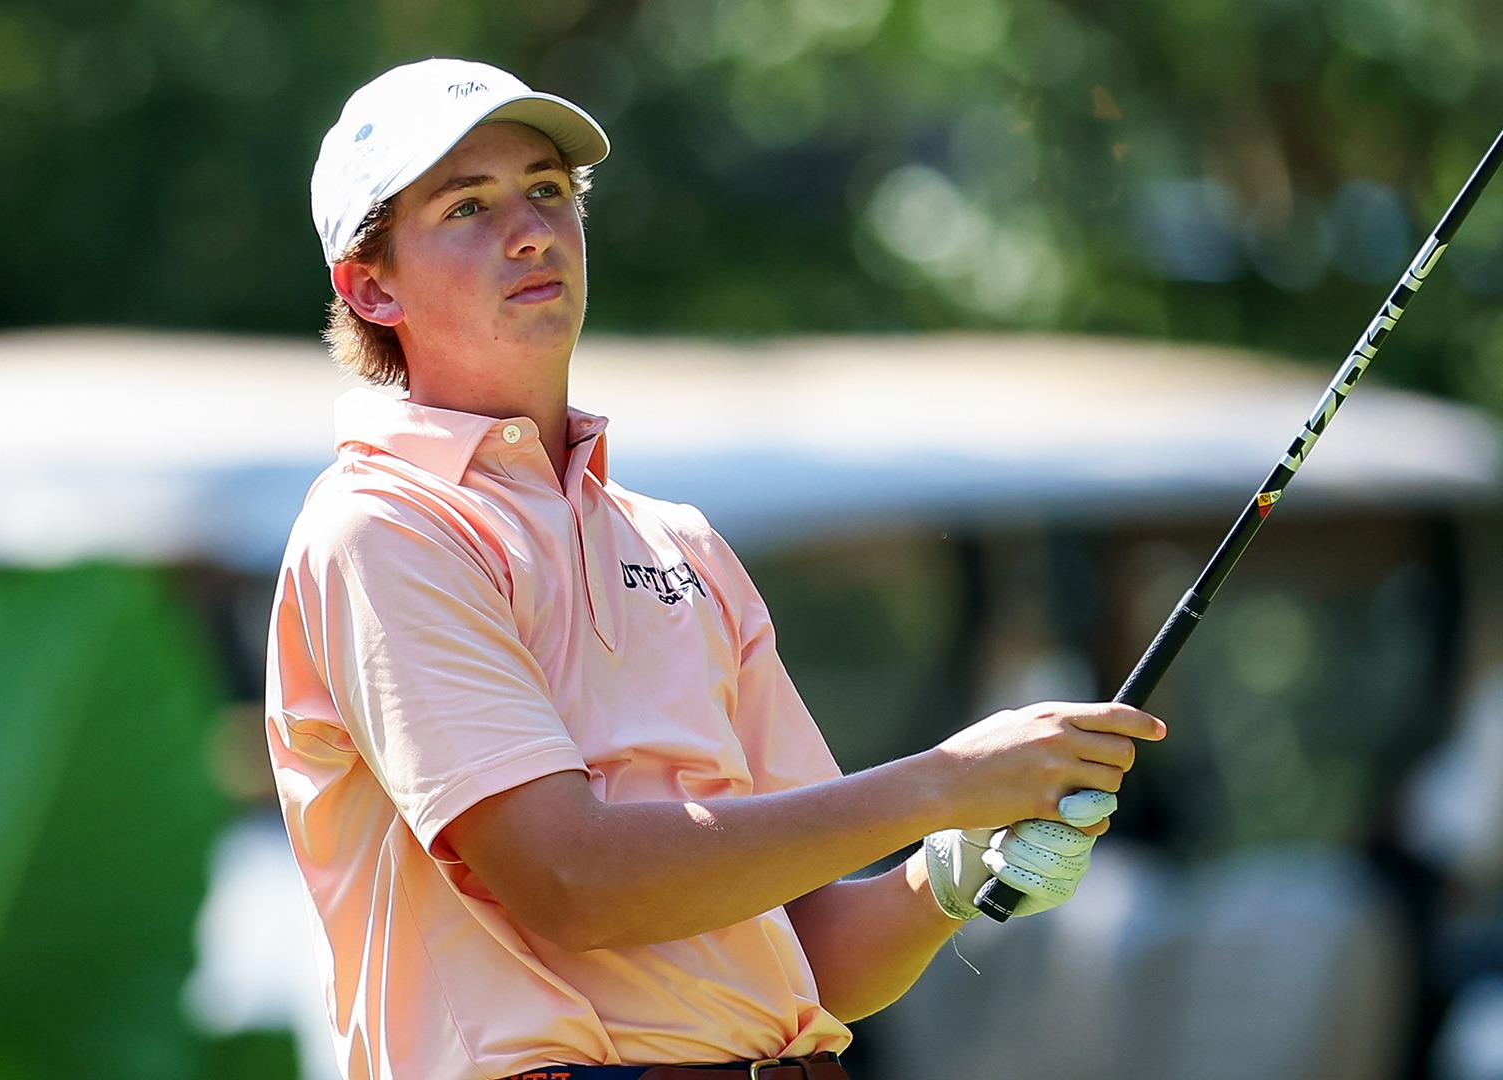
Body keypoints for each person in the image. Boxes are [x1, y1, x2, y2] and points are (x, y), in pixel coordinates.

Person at [267, 57, 1167, 1080]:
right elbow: (571, 880)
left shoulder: (678, 543)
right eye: (467, 206)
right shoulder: (382, 529)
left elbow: (814, 954)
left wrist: (945, 878)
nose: (530, 231)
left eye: (548, 191)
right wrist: (943, 786)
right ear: (369, 284)